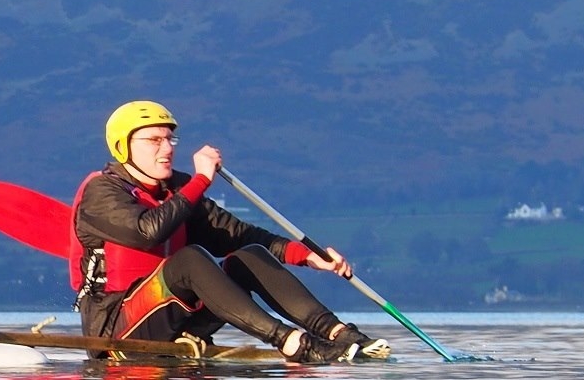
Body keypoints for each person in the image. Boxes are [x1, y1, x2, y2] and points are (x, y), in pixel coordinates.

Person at [70, 101, 390, 364]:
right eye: (154, 140)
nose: (167, 148)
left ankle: (337, 333)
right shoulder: (101, 192)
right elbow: (147, 231)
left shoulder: (177, 189)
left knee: (247, 257)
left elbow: (238, 234)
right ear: (123, 147)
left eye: (170, 139)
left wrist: (308, 256)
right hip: (115, 330)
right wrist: (200, 182)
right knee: (190, 259)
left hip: (180, 319)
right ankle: (293, 343)